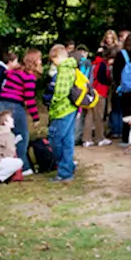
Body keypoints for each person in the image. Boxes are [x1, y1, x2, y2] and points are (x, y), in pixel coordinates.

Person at [0, 49, 41, 175]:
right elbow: (30, 99)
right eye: (39, 59)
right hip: (14, 107)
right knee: (21, 137)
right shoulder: (29, 77)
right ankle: (23, 167)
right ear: (35, 62)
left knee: (3, 136)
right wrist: (35, 117)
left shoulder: (15, 72)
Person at [46, 44, 80, 182]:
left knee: (55, 139)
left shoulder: (64, 70)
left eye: (53, 59)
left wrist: (52, 102)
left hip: (62, 110)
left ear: (59, 57)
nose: (53, 62)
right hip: (71, 108)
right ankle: (67, 169)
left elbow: (61, 92)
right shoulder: (71, 67)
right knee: (67, 140)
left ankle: (65, 168)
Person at [111, 32, 131, 144]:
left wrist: (118, 84)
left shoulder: (121, 54)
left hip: (125, 88)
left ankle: (125, 137)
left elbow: (115, 72)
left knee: (126, 112)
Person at [83, 41, 114, 147]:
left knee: (89, 115)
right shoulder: (102, 64)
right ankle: (99, 138)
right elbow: (102, 78)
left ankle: (86, 139)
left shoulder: (93, 63)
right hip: (100, 92)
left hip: (91, 92)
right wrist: (110, 82)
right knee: (99, 116)